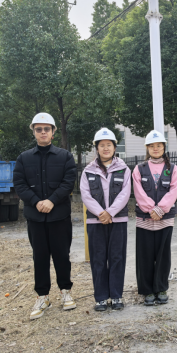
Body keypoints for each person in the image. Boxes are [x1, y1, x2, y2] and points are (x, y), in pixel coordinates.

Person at [13, 113, 77, 320]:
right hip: (36, 218)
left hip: (59, 216)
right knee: (39, 257)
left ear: (53, 132)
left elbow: (68, 182)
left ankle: (65, 292)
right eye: (39, 129)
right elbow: (19, 184)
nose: (43, 132)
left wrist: (51, 201)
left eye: (46, 129)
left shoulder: (65, 157)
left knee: (62, 256)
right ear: (34, 131)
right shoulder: (24, 158)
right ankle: (42, 297)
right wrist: (36, 201)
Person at [80, 128, 131, 312]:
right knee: (98, 259)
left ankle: (116, 296)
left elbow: (125, 193)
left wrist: (110, 212)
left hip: (118, 221)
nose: (106, 148)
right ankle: (101, 298)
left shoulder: (124, 169)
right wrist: (101, 213)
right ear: (97, 148)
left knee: (117, 257)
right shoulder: (88, 171)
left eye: (109, 145)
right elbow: (85, 195)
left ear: (115, 147)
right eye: (102, 145)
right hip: (96, 222)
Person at [132, 130, 177, 306]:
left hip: (165, 220)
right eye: (152, 146)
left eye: (159, 145)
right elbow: (138, 191)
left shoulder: (172, 169)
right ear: (147, 148)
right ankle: (147, 291)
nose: (155, 148)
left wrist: (160, 209)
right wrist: (151, 209)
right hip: (144, 220)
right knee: (144, 255)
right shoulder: (139, 169)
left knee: (163, 255)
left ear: (164, 147)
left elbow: (173, 191)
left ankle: (161, 288)